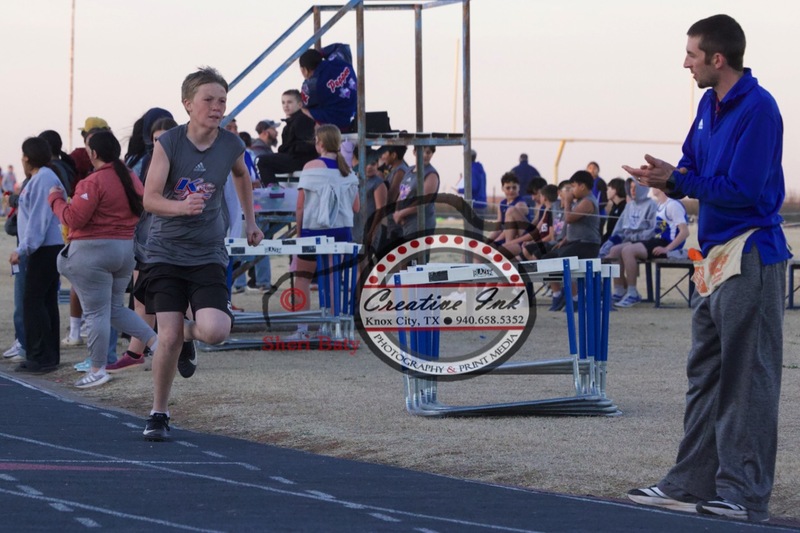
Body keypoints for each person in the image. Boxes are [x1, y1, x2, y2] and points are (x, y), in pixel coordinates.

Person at [624, 14, 790, 521]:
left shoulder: (759, 110)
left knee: (748, 378)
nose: (685, 62)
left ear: (718, 59)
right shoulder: (706, 105)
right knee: (706, 374)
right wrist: (670, 179)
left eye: (692, 54)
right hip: (713, 257)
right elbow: (693, 169)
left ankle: (743, 494)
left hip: (752, 253)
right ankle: (691, 483)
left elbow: (742, 190)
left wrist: (684, 181)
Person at [137, 67, 263, 441]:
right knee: (170, 335)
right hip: (164, 252)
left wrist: (250, 221)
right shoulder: (169, 143)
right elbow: (150, 199)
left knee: (216, 330)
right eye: (208, 100)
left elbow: (241, 176)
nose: (216, 106)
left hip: (207, 252)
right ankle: (159, 412)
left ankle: (184, 336)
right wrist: (181, 207)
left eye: (222, 100)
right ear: (188, 104)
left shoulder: (231, 145)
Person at [49, 130, 159, 388]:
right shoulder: (130, 177)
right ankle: (158, 343)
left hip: (93, 252)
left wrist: (55, 200)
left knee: (97, 312)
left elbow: (74, 218)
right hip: (124, 250)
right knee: (115, 309)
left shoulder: (93, 181)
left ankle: (98, 368)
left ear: (94, 153)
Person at [108, 116, 179, 373]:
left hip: (170, 239)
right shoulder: (146, 161)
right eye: (155, 139)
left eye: (163, 138)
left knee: (173, 301)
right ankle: (135, 352)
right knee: (141, 298)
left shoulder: (182, 162)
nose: (158, 143)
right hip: (144, 237)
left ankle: (176, 346)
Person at [286, 124, 359, 341]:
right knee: (333, 279)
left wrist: (299, 233)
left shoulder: (311, 167)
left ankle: (301, 329)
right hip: (342, 232)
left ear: (319, 142)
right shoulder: (348, 169)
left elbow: (301, 205)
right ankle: (333, 328)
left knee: (303, 277)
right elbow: (356, 207)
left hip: (314, 230)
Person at [10, 137, 64, 373]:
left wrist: (23, 248)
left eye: (23, 156)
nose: (21, 160)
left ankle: (40, 355)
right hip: (45, 246)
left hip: (44, 247)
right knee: (45, 300)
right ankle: (48, 355)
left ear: (28, 157)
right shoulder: (42, 177)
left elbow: (38, 219)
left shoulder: (43, 178)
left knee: (33, 301)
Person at [609, 188, 689, 308]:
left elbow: (684, 232)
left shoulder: (673, 205)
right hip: (656, 241)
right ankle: (619, 290)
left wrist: (667, 249)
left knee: (628, 251)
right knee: (615, 250)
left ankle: (632, 293)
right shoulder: (660, 204)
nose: (651, 187)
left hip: (666, 244)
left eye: (654, 184)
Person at [540, 170, 601, 311]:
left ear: (582, 187)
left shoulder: (588, 202)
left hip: (588, 245)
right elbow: (576, 226)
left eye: (573, 187)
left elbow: (569, 219)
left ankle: (575, 299)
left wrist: (567, 201)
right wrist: (566, 239)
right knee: (547, 258)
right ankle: (557, 293)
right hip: (574, 242)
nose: (571, 191)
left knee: (564, 260)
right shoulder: (579, 201)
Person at [256, 90, 317, 186]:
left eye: (289, 102)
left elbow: (307, 145)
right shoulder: (291, 122)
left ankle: (274, 191)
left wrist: (286, 149)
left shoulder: (302, 120)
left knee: (261, 161)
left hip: (300, 159)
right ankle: (274, 189)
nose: (286, 105)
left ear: (300, 104)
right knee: (264, 162)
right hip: (295, 157)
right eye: (283, 102)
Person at [299, 44, 357, 132]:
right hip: (353, 111)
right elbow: (341, 47)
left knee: (300, 107)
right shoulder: (339, 59)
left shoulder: (311, 85)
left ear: (305, 70)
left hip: (336, 123)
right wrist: (320, 53)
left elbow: (302, 103)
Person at [598, 178, 657, 258]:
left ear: (642, 188)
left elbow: (652, 230)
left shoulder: (651, 204)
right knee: (608, 250)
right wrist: (610, 242)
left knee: (622, 251)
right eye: (631, 187)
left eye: (635, 187)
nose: (632, 190)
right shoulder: (629, 206)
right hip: (627, 240)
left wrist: (632, 237)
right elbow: (619, 229)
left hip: (644, 241)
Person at [393, 146, 439, 237]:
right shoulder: (409, 170)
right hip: (405, 223)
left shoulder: (431, 174)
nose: (425, 155)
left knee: (418, 251)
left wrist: (401, 214)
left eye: (428, 152)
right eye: (422, 152)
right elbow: (402, 193)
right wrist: (396, 211)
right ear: (414, 152)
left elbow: (423, 202)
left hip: (421, 224)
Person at [486, 172, 530, 252]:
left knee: (491, 251)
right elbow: (498, 227)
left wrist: (494, 243)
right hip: (506, 237)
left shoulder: (520, 204)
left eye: (514, 187)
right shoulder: (502, 204)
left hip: (519, 239)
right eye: (508, 188)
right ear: (502, 188)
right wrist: (487, 241)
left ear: (519, 188)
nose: (511, 190)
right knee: (477, 251)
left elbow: (511, 229)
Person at [602, 177, 627, 242]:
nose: (606, 191)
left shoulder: (625, 207)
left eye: (608, 189)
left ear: (615, 190)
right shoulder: (614, 206)